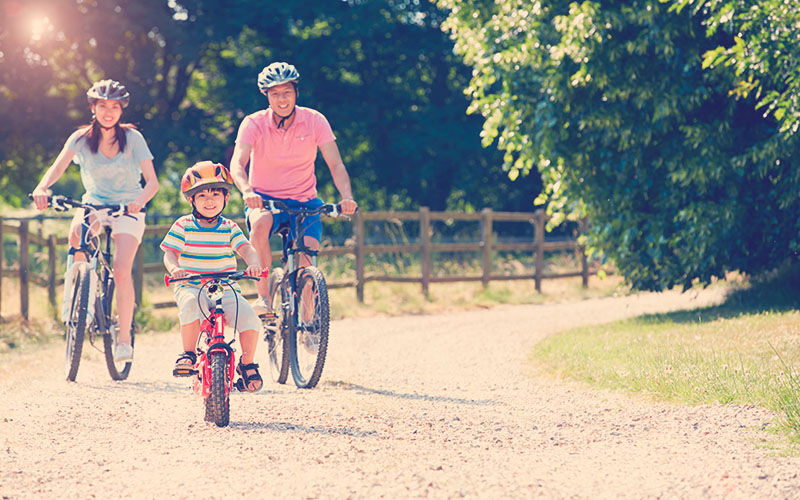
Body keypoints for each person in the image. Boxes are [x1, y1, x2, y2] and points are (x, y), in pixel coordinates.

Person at [32, 79, 159, 363]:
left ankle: (124, 339)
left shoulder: (133, 138)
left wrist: (139, 202)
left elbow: (152, 183)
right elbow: (57, 168)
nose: (109, 112)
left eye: (114, 107)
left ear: (121, 110)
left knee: (121, 269)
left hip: (128, 207)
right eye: (103, 106)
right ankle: (79, 302)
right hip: (95, 203)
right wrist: (43, 188)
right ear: (93, 108)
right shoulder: (80, 138)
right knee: (78, 230)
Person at [229, 61, 358, 317]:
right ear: (266, 96)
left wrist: (347, 197)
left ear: (296, 92)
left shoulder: (315, 121)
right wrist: (247, 191)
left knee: (308, 254)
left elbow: (336, 164)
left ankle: (308, 319)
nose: (282, 99)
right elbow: (237, 163)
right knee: (260, 224)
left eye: (286, 92)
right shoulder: (253, 123)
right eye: (275, 93)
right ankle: (264, 296)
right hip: (264, 200)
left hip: (305, 201)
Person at [161, 161, 264, 392]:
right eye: (202, 195)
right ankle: (187, 353)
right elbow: (170, 253)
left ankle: (247, 364)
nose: (210, 201)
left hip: (226, 286)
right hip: (191, 285)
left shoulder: (229, 227)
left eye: (216, 194)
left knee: (249, 318)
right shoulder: (183, 225)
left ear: (225, 198)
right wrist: (175, 269)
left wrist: (254, 264)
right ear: (191, 200)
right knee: (189, 305)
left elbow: (246, 249)